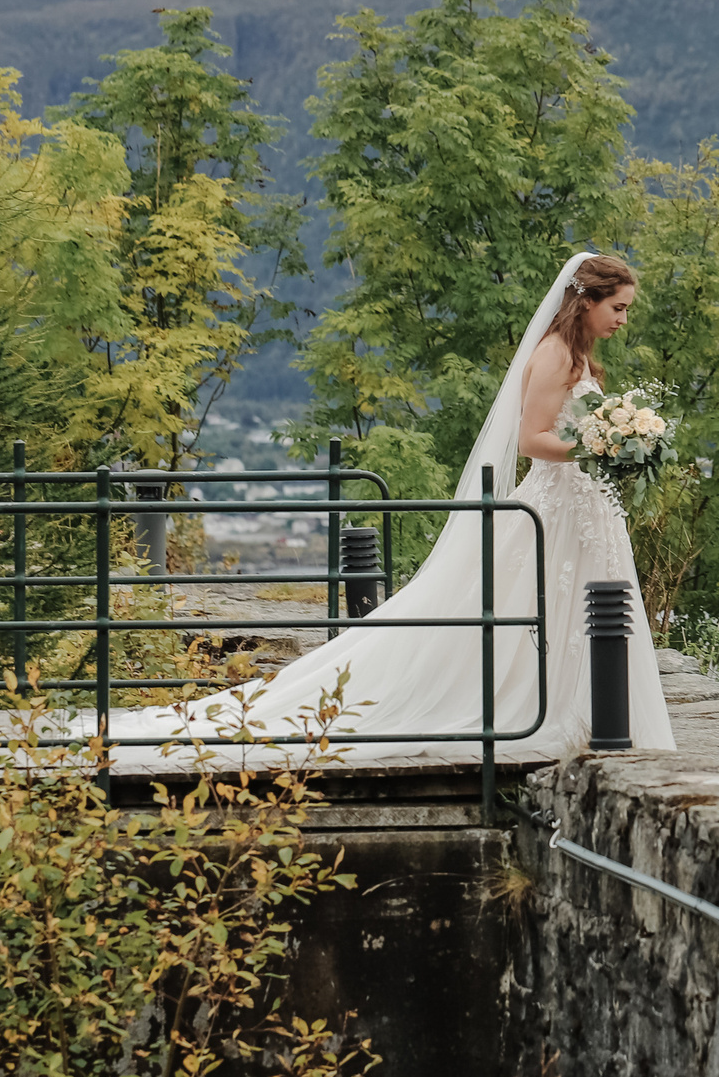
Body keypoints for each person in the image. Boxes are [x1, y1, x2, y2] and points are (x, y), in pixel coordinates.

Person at [118, 251, 676, 761]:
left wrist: (613, 444)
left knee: (576, 611)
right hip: (556, 504)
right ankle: (551, 715)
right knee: (530, 608)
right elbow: (534, 440)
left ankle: (585, 712)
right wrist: (598, 442)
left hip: (581, 506)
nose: (623, 320)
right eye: (619, 307)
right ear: (586, 302)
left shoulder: (578, 355)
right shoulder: (554, 355)